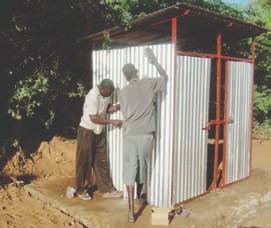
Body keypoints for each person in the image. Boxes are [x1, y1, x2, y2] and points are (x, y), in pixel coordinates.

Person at [111, 48, 168, 222]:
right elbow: (165, 78)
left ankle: (130, 212)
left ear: (126, 77)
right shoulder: (149, 84)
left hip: (129, 134)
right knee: (143, 165)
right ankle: (142, 196)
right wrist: (154, 61)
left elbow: (120, 106)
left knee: (130, 168)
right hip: (146, 135)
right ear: (136, 72)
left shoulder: (122, 92)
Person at [74, 79, 122, 200]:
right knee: (84, 161)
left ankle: (106, 190)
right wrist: (111, 121)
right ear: (102, 89)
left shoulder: (105, 95)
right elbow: (93, 118)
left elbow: (105, 108)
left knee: (101, 161)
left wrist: (116, 107)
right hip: (87, 131)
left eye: (112, 92)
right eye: (109, 92)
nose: (110, 94)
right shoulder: (92, 96)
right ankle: (81, 189)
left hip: (98, 131)